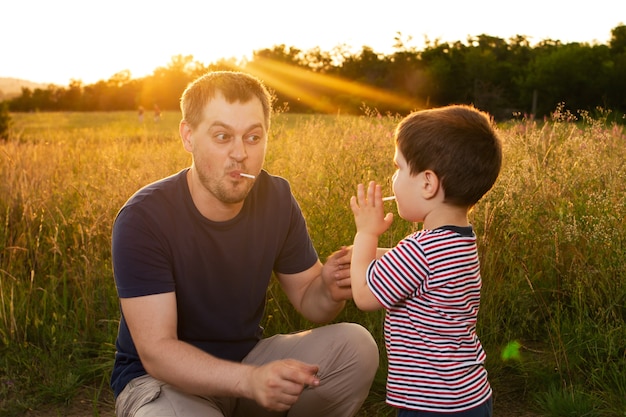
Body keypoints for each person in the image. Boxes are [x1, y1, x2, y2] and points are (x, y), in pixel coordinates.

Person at [111, 71, 379, 417]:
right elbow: (158, 352)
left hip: (247, 365)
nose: (240, 154)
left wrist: (328, 286)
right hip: (162, 384)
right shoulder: (144, 217)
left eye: (253, 137)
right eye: (222, 136)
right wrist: (250, 380)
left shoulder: (276, 198)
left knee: (355, 346)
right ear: (188, 136)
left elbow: (311, 302)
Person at [349, 105, 502, 416]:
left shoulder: (420, 248)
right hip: (470, 396)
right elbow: (415, 271)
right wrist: (362, 256)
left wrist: (365, 234)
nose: (393, 178)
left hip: (430, 403)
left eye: (399, 168)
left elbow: (364, 295)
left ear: (428, 183)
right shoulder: (460, 241)